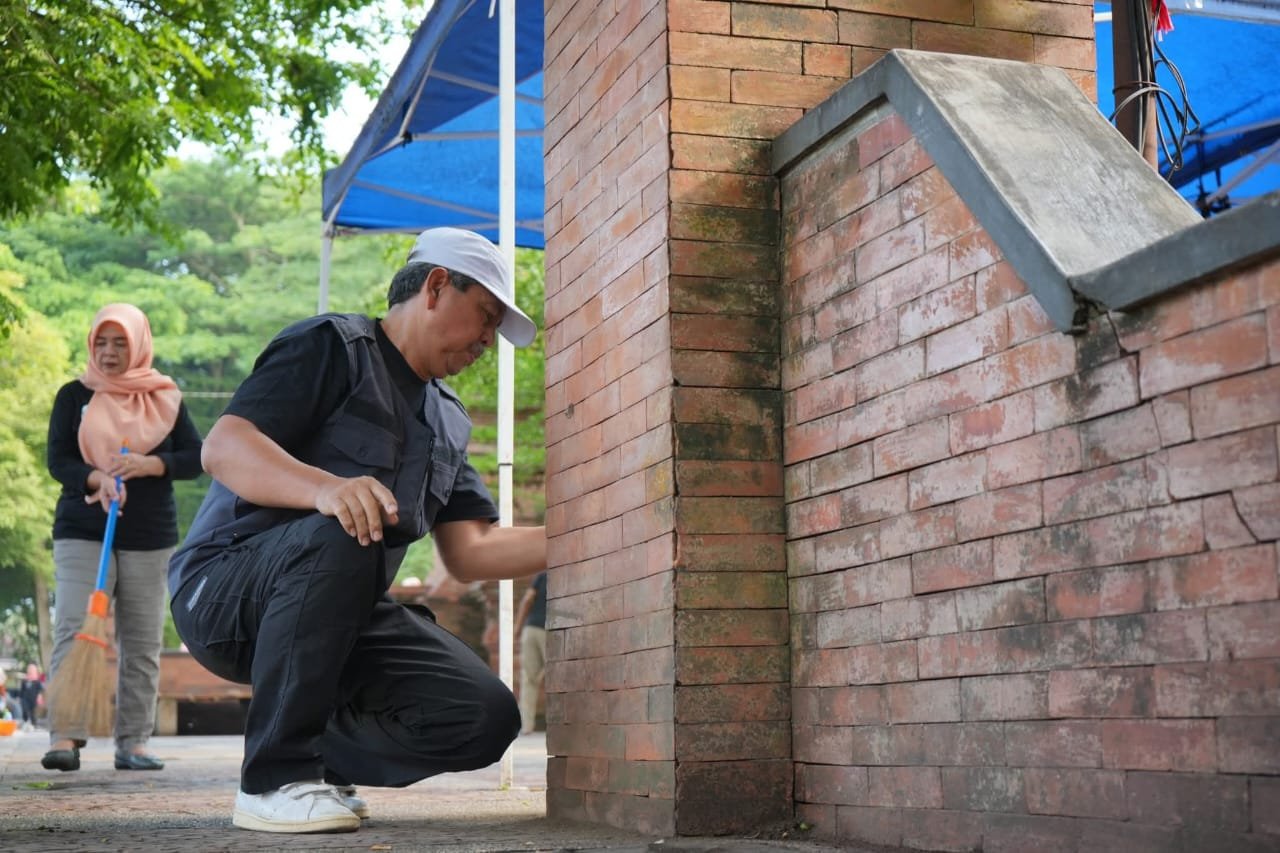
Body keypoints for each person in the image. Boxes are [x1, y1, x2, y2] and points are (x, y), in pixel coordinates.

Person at [168, 227, 546, 835]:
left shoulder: (448, 419)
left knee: (483, 716)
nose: (485, 340)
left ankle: (317, 755)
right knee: (348, 523)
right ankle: (272, 779)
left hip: (340, 614)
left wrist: (587, 536)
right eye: (484, 316)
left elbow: (471, 552)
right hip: (225, 593)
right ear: (436, 286)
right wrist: (324, 488)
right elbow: (224, 447)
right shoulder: (331, 347)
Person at [44, 303, 204, 772]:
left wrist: (151, 465)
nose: (109, 352)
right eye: (101, 342)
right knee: (74, 627)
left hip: (149, 535)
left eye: (120, 342)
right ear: (91, 344)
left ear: (138, 345)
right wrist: (95, 477)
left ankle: (133, 741)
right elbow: (58, 460)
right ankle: (65, 735)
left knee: (142, 639)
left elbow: (196, 456)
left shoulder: (166, 397)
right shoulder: (74, 396)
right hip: (83, 529)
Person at [514, 571, 547, 735]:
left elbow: (528, 599)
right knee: (560, 679)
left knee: (528, 679)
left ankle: (526, 725)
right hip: (552, 630)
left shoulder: (542, 576)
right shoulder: (569, 574)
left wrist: (518, 628)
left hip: (531, 628)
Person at [19, 663, 45, 729]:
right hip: (25, 699)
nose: (31, 672)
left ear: (36, 672)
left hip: (34, 700)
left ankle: (34, 723)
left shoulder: (37, 682)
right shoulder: (24, 681)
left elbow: (40, 690)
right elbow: (22, 691)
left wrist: (40, 696)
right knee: (25, 710)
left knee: (33, 712)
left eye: (33, 671)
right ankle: (25, 721)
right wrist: (21, 698)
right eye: (29, 670)